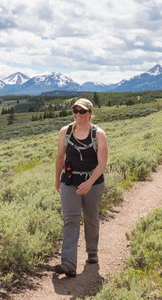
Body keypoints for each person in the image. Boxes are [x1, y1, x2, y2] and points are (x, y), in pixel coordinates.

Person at [54, 98, 108, 277]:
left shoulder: (98, 134)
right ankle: (68, 263)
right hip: (69, 181)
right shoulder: (65, 132)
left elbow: (102, 163)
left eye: (82, 111)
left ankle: (92, 251)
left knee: (91, 217)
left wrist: (89, 182)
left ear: (90, 113)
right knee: (70, 219)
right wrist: (57, 180)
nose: (78, 115)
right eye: (75, 111)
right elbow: (60, 157)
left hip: (93, 181)